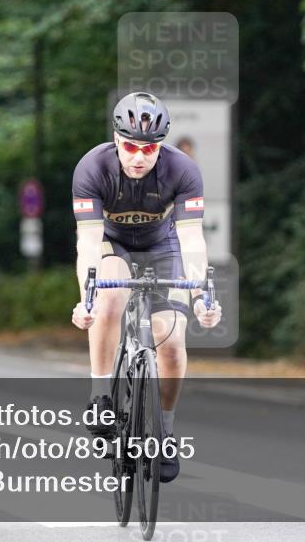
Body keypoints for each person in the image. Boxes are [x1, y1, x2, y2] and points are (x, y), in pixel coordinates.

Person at [71, 92, 222, 483]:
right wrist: (86, 298)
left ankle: (165, 430)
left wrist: (202, 296)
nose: (139, 157)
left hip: (163, 246)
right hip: (112, 244)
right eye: (131, 147)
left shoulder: (183, 171)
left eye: (149, 148)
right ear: (116, 140)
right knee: (110, 297)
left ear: (162, 145)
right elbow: (88, 242)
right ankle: (100, 394)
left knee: (170, 344)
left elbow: (192, 241)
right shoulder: (92, 167)